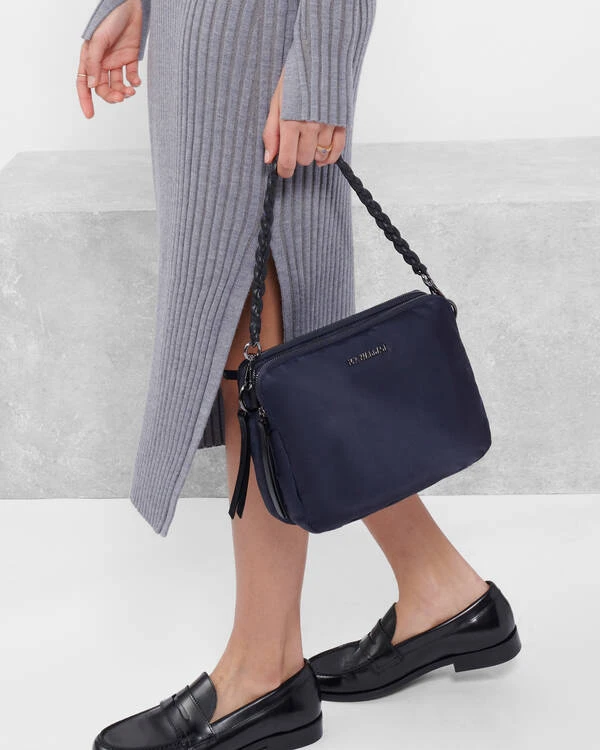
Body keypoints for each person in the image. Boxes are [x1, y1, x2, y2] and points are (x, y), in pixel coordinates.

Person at [76, 2, 521, 749]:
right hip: (196, 33)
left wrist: (322, 67)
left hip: (255, 37)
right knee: (272, 338)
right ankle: (439, 585)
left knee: (253, 330)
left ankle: (263, 665)